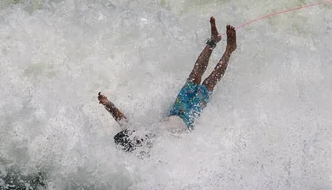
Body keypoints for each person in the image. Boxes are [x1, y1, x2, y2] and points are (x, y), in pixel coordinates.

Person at [98, 17, 237, 152]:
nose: (136, 135)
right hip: (188, 118)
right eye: (135, 139)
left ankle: (212, 42)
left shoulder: (137, 134)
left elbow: (120, 119)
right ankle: (230, 49)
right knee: (209, 82)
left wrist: (107, 104)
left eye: (132, 134)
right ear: (134, 146)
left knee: (194, 76)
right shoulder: (150, 152)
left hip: (176, 111)